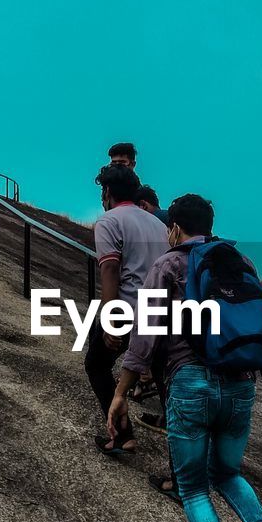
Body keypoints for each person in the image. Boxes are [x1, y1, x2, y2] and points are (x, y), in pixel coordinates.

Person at [107, 193, 262, 522]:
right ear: (209, 225)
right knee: (227, 472)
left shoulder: (169, 264)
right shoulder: (240, 264)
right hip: (241, 384)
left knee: (193, 489)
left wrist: (122, 393)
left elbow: (145, 336)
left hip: (190, 381)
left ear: (173, 227)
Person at [88, 163, 168, 455]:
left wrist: (110, 320)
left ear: (107, 191)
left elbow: (110, 270)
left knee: (96, 365)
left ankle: (121, 435)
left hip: (129, 308)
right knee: (162, 375)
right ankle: (182, 462)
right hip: (161, 311)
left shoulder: (110, 221)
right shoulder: (159, 225)